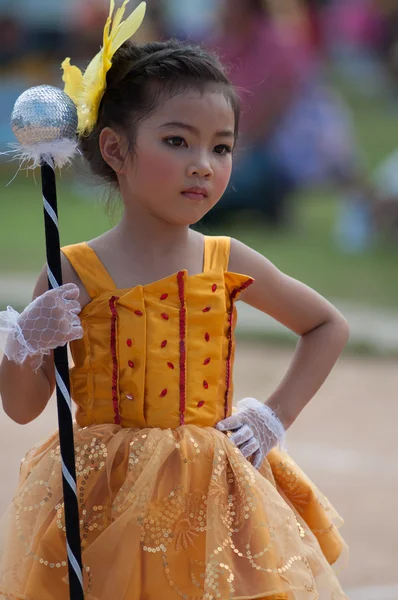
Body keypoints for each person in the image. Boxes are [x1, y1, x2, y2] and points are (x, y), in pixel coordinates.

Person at [0, 4, 350, 599]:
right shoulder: (73, 271)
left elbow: (325, 325)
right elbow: (23, 407)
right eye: (176, 141)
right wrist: (26, 343)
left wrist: (272, 418)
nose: (203, 166)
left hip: (213, 496)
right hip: (104, 498)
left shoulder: (227, 258)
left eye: (221, 147)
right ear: (114, 149)